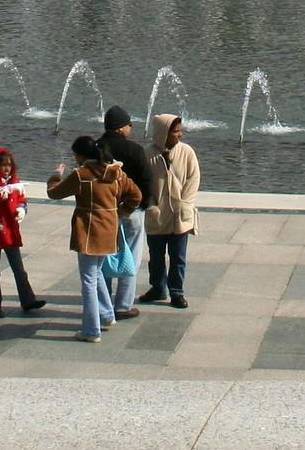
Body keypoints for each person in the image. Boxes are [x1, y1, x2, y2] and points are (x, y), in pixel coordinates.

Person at [47, 135, 140, 342]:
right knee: (96, 273)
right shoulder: (116, 173)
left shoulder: (82, 175)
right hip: (110, 231)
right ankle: (107, 315)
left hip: (88, 233)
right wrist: (120, 212)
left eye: (76, 156)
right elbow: (136, 195)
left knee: (88, 280)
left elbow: (54, 193)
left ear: (81, 156)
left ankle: (91, 330)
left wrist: (55, 175)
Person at [98, 105, 154, 319]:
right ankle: (122, 305)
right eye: (129, 124)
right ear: (121, 128)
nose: (131, 128)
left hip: (103, 211)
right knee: (131, 255)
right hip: (132, 212)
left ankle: (103, 305)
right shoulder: (135, 150)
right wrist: (142, 205)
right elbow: (147, 182)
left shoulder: (96, 147)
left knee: (102, 257)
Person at [0, 147, 47, 317]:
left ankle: (28, 299)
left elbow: (21, 199)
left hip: (10, 232)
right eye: (3, 165)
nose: (7, 168)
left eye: (9, 165)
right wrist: (4, 192)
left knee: (19, 268)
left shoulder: (13, 183)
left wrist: (22, 208)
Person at [142, 113, 200, 308]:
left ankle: (177, 292)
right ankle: (158, 288)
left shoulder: (187, 152)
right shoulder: (147, 154)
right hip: (157, 215)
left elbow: (193, 180)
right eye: (175, 132)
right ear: (163, 133)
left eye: (180, 131)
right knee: (156, 257)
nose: (179, 135)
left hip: (179, 216)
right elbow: (141, 184)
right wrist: (150, 205)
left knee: (178, 257)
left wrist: (185, 204)